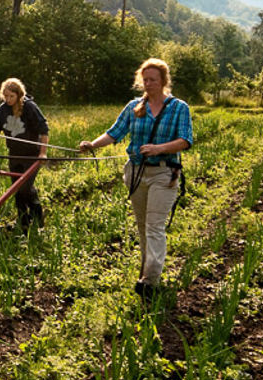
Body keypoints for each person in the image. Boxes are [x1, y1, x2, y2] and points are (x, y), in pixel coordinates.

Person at [78, 58, 193, 299]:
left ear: (163, 81)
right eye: (145, 80)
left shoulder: (179, 107)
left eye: (153, 80)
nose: (148, 84)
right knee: (142, 227)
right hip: (136, 173)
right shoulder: (134, 106)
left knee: (154, 227)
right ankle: (145, 273)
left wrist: (158, 149)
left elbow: (185, 140)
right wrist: (93, 145)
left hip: (164, 173)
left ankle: (150, 282)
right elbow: (115, 132)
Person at [0, 77, 49, 232]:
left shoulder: (29, 107)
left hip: (31, 155)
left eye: (12, 96)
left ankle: (37, 218)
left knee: (25, 188)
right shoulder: (2, 109)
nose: (8, 100)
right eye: (6, 96)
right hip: (14, 153)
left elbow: (44, 130)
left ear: (18, 95)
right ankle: (23, 220)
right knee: (16, 188)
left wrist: (43, 153)